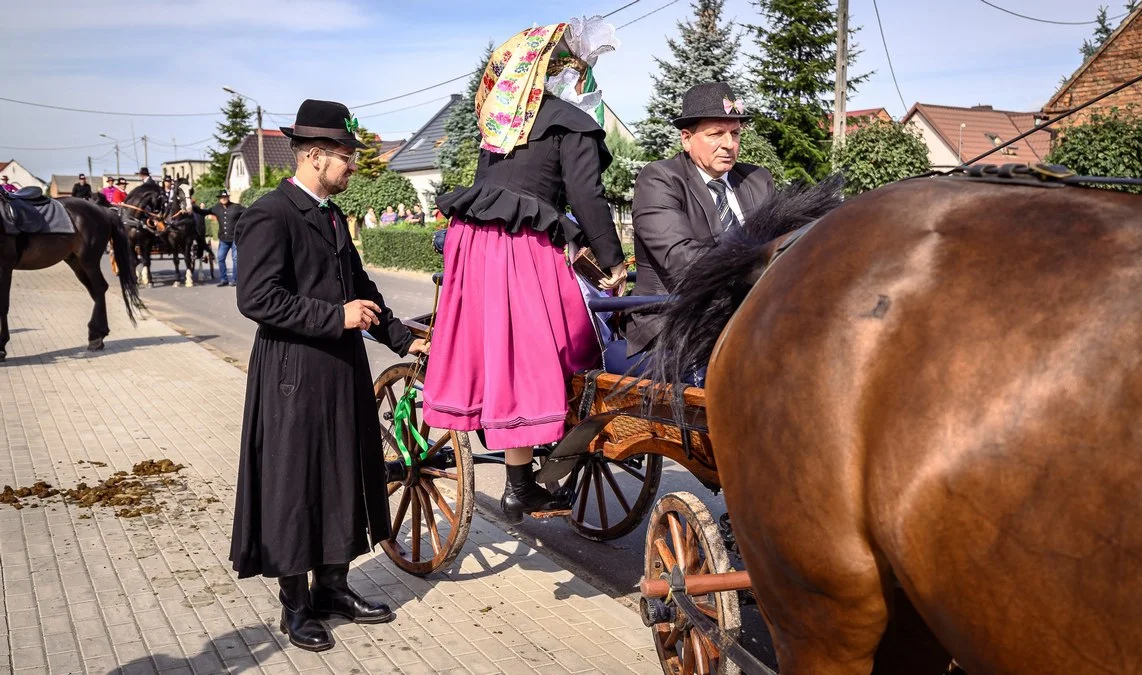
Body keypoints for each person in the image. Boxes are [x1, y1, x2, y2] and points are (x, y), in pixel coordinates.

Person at [230, 98, 427, 653]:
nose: (354, 165)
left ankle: (335, 587)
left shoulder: (332, 214)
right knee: (295, 485)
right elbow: (257, 298)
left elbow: (359, 284)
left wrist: (401, 336)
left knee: (342, 473)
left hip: (341, 369)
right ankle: (297, 602)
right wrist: (332, 317)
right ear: (314, 156)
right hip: (292, 374)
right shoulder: (270, 214)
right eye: (347, 156)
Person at [425, 16, 626, 524]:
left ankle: (526, 463)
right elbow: (587, 197)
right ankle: (521, 484)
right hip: (519, 246)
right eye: (583, 74)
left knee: (502, 348)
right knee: (549, 343)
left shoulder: (501, 126)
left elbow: (486, 193)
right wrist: (614, 260)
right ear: (569, 75)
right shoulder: (571, 122)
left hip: (475, 247)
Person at [614, 82, 777, 377]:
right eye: (716, 133)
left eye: (735, 133)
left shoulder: (757, 179)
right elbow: (683, 260)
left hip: (754, 319)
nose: (729, 144)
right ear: (687, 139)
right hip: (677, 320)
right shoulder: (659, 179)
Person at [193, 190, 245, 286]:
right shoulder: (216, 208)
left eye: (225, 197)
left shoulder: (237, 207)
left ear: (228, 197)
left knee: (235, 259)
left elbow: (247, 212)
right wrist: (192, 206)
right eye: (221, 197)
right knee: (220, 258)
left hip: (235, 239)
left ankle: (235, 280)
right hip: (223, 239)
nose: (223, 199)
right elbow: (203, 212)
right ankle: (224, 279)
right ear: (219, 199)